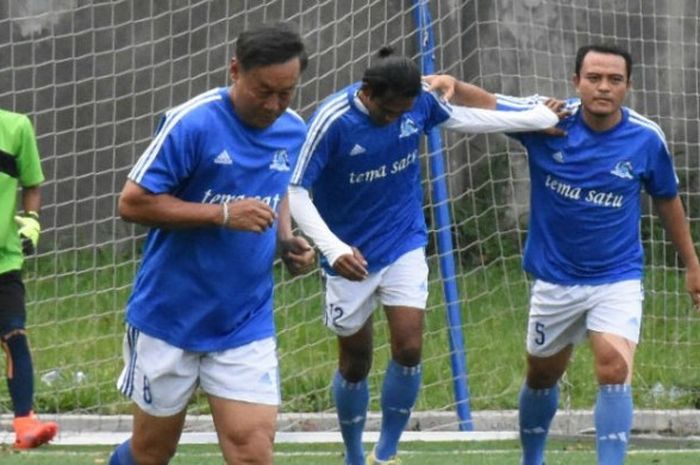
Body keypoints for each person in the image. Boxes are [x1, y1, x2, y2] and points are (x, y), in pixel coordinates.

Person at [288, 46, 563, 465]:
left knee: (410, 347)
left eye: (404, 112)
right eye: (388, 113)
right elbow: (295, 192)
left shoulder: (418, 102)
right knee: (356, 361)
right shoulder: (331, 122)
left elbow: (466, 118)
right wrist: (334, 248)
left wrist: (536, 119)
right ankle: (353, 455)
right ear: (367, 93)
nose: (397, 119)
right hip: (349, 255)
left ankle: (387, 453)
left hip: (403, 240)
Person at [434, 44, 700, 465]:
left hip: (617, 277)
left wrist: (692, 265)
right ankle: (532, 458)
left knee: (613, 367)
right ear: (576, 81)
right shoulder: (547, 120)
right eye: (594, 77)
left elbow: (667, 198)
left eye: (614, 79)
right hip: (555, 280)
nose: (603, 87)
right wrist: (453, 85)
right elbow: (493, 103)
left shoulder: (646, 138)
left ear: (628, 86)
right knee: (542, 376)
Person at [108, 23, 315, 465]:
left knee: (252, 455)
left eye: (287, 93)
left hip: (244, 320)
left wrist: (285, 239)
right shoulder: (192, 122)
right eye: (264, 91)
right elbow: (132, 203)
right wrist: (221, 214)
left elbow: (275, 188)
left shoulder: (293, 130)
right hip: (170, 317)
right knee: (150, 454)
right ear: (235, 70)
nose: (275, 105)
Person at [0, 108, 58, 449]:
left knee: (14, 335)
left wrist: (32, 219)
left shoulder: (16, 127)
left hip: (4, 259)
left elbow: (31, 183)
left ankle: (25, 423)